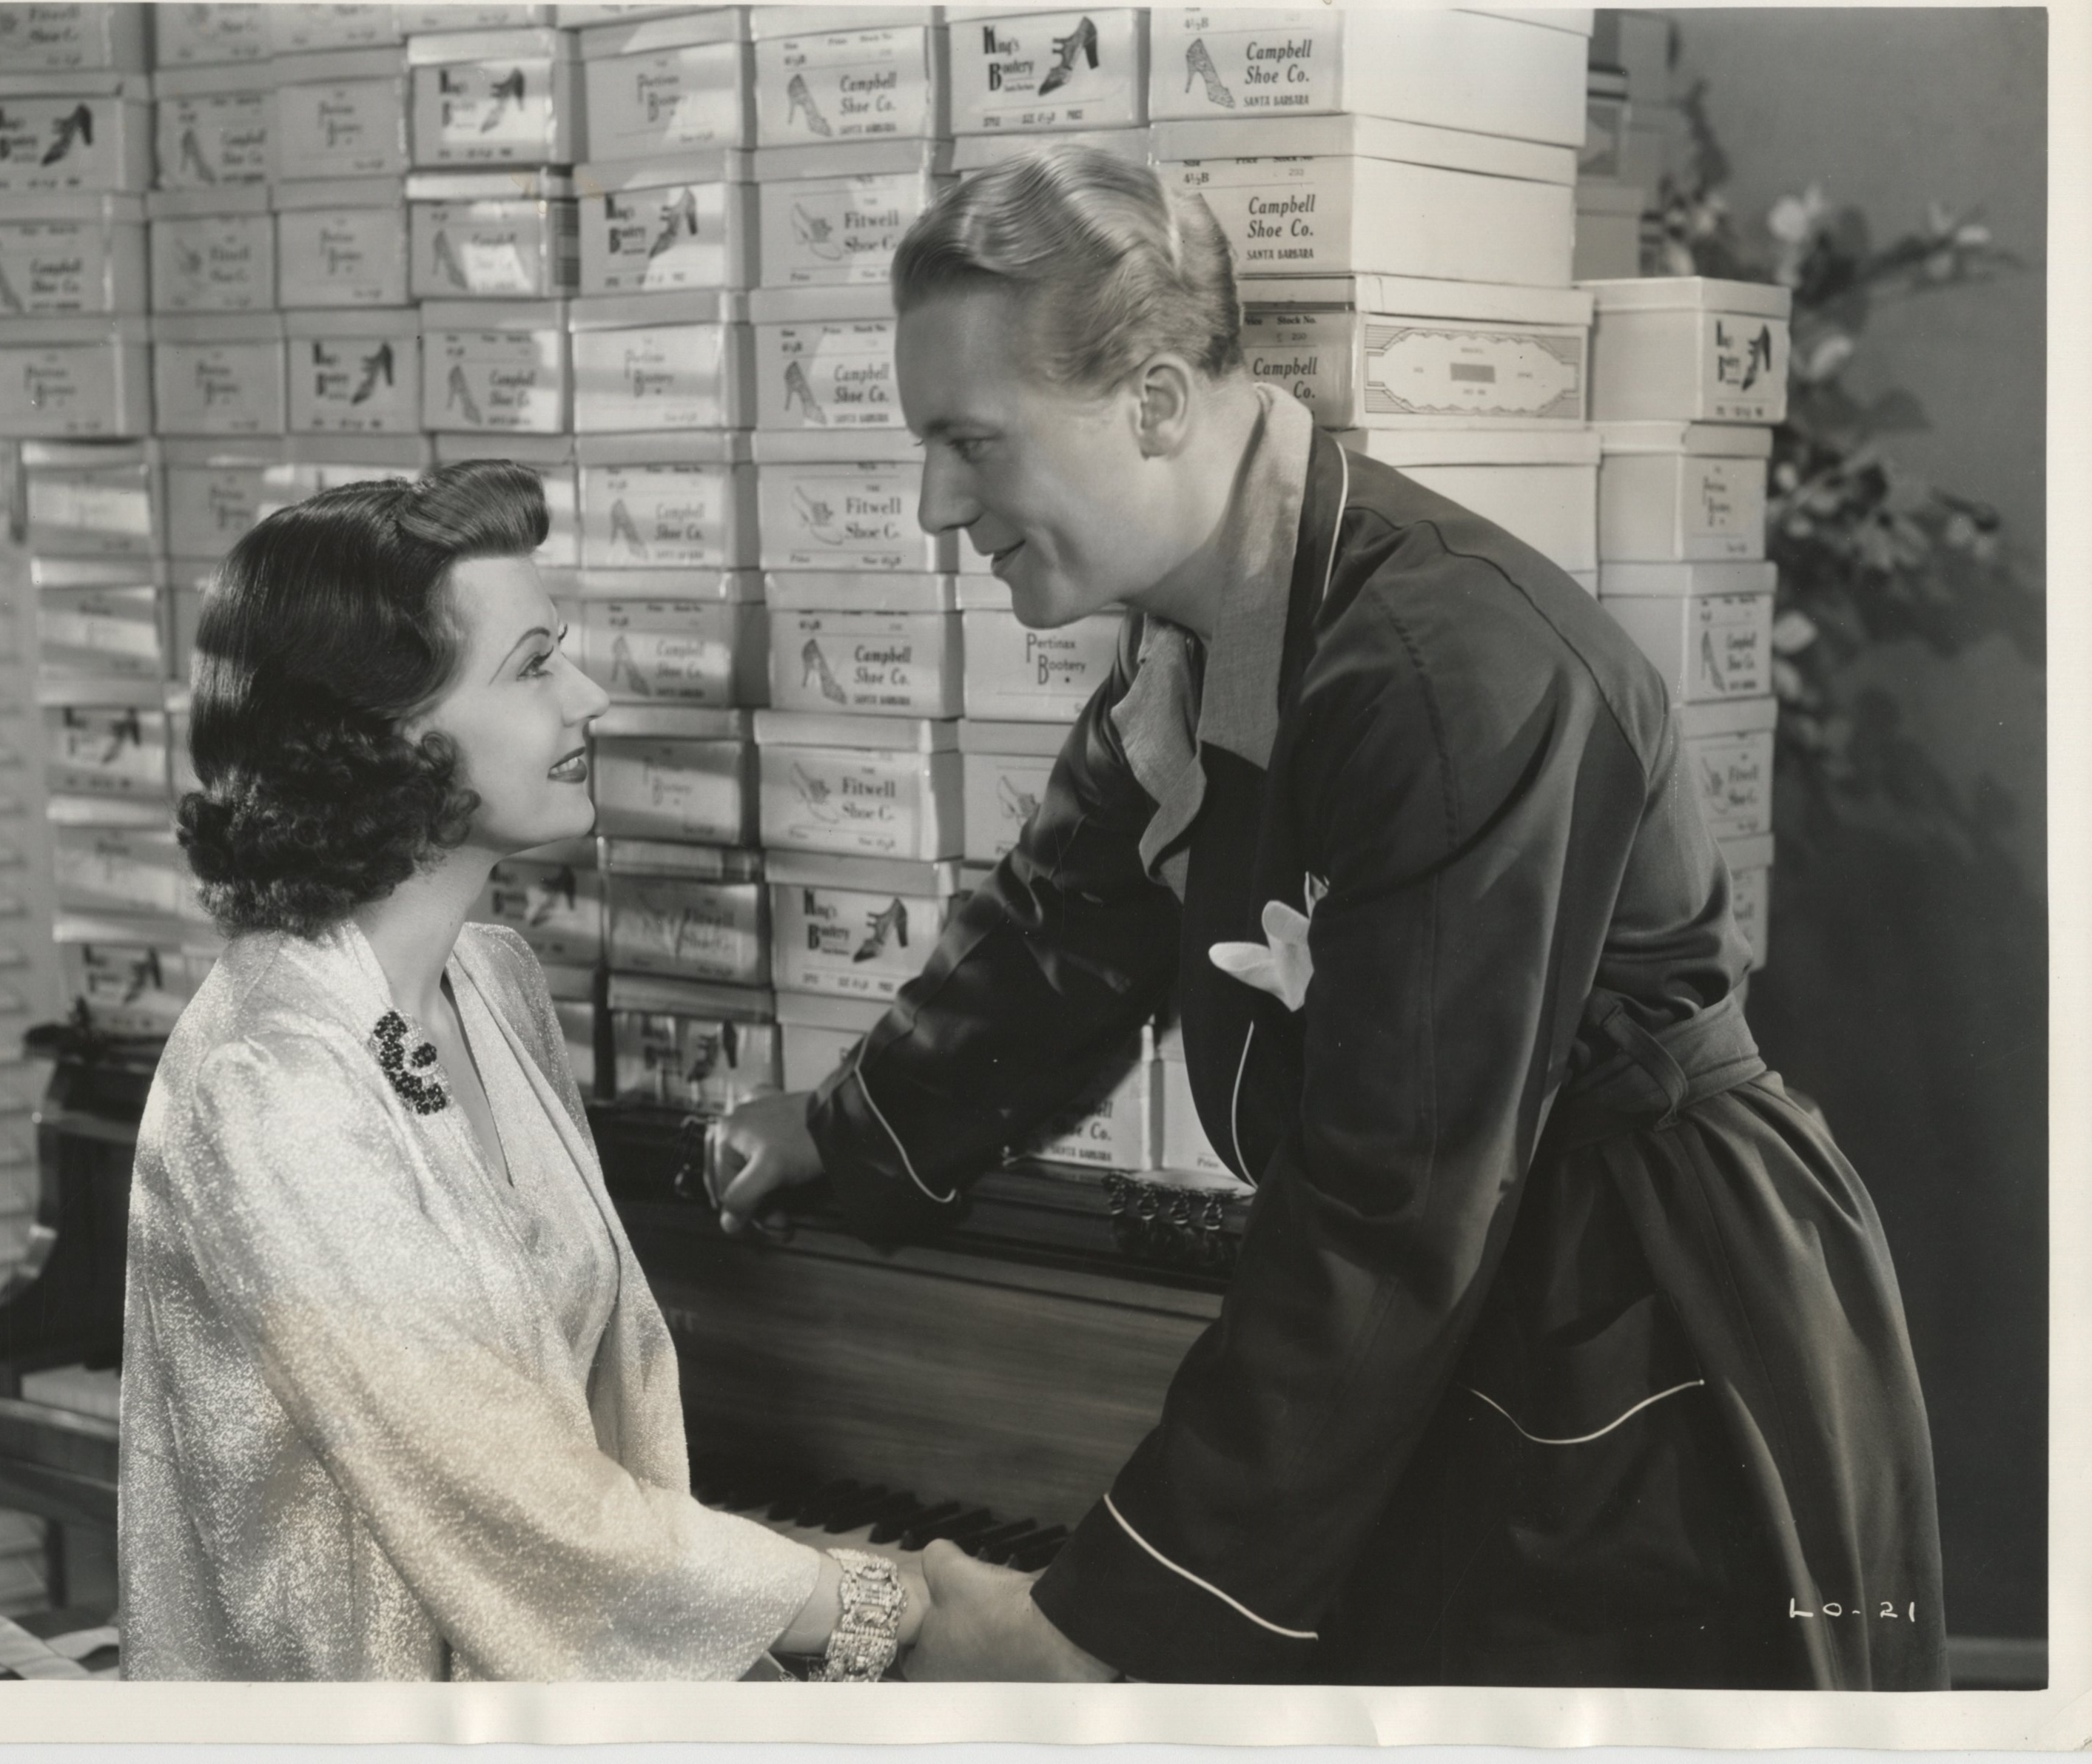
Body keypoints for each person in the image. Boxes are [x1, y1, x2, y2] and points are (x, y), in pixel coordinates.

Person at [712, 148, 1948, 1689]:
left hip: (1638, 1326)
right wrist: (845, 1128)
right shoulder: (1204, 620)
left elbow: (1390, 1200)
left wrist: (1095, 1627)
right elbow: (1059, 932)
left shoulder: (1443, 676)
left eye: (971, 443)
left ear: (1158, 403)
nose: (933, 504)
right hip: (1467, 1284)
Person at [118, 461, 926, 1680]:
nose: (589, 696)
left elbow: (580, 1436)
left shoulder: (492, 979)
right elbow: (520, 1509)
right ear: (384, 734)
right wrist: (888, 1608)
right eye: (536, 662)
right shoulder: (269, 1082)